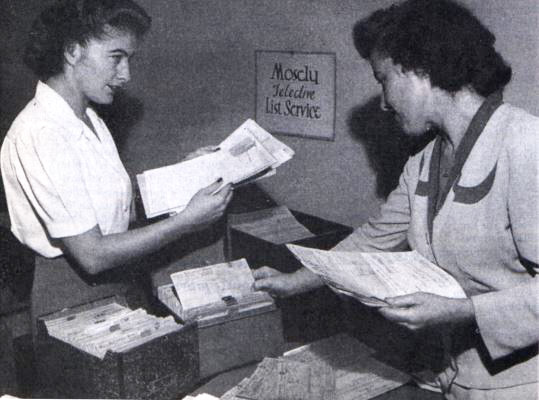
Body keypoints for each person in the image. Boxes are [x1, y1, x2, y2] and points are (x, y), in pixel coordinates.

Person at [253, 0, 538, 398]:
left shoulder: (525, 143)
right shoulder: (423, 161)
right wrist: (293, 282)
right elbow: (373, 239)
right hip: (451, 377)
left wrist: (463, 313)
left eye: (383, 79)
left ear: (420, 68)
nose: (384, 102)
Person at [0, 0, 233, 338]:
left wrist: (184, 173)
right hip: (69, 297)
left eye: (129, 59)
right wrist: (185, 222)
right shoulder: (41, 132)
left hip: (116, 286)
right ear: (73, 50)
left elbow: (112, 208)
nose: (126, 75)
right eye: (116, 57)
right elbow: (92, 254)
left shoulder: (89, 118)